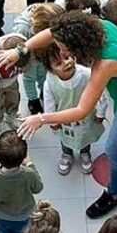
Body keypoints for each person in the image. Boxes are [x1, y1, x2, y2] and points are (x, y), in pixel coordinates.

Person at [0, 12, 117, 219]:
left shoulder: (106, 63)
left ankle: (113, 194)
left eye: (65, 48)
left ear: (79, 46)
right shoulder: (100, 27)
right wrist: (21, 49)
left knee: (115, 151)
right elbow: (53, 32)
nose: (61, 49)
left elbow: (82, 109)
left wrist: (42, 118)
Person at [41, 43, 108, 175]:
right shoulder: (49, 82)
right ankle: (67, 154)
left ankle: (85, 153)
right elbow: (49, 103)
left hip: (87, 117)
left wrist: (100, 113)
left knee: (85, 137)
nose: (66, 63)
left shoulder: (87, 74)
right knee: (65, 139)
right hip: (64, 122)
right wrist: (53, 122)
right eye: (58, 63)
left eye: (67, 57)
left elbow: (101, 94)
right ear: (51, 69)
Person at [10, 2, 65, 116]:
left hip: (43, 54)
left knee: (43, 75)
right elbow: (18, 47)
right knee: (29, 78)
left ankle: (44, 93)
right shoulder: (23, 29)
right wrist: (22, 63)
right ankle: (33, 100)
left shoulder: (50, 16)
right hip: (29, 58)